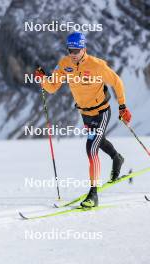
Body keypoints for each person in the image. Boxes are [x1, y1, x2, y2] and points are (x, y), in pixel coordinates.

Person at [34, 32, 131, 207]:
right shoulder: (64, 64)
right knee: (99, 142)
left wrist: (122, 106)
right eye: (70, 50)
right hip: (85, 113)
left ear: (84, 48)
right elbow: (53, 87)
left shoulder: (97, 65)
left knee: (91, 148)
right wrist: (43, 80)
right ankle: (117, 158)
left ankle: (93, 195)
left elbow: (117, 82)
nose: (73, 53)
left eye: (77, 50)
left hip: (101, 111)